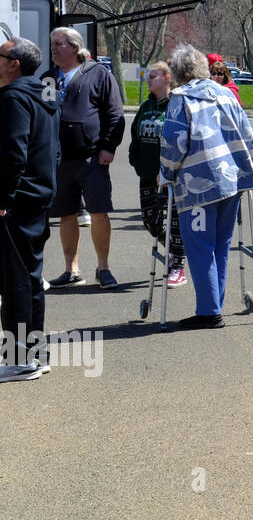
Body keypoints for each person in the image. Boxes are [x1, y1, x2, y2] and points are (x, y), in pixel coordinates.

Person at [159, 43, 253, 328]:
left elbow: (174, 142)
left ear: (178, 73)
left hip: (199, 182)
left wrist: (165, 173)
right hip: (233, 179)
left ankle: (209, 311)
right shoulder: (227, 93)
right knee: (220, 244)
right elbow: (247, 135)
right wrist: (249, 169)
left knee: (200, 245)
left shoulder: (181, 97)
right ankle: (214, 304)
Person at [46, 26, 124, 289]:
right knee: (66, 214)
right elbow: (45, 115)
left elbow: (115, 115)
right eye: (52, 44)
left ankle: (103, 268)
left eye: (59, 44)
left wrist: (108, 147)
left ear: (75, 47)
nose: (54, 48)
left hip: (92, 158)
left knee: (98, 212)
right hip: (60, 160)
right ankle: (71, 270)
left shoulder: (99, 74)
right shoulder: (49, 78)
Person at [0, 38, 59, 382]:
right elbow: (54, 149)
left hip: (19, 201)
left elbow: (13, 153)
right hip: (39, 197)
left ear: (14, 64)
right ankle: (34, 354)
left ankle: (21, 359)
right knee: (30, 279)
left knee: (17, 281)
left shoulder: (13, 98)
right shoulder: (46, 93)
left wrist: (3, 198)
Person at [128, 61, 186, 288]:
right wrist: (136, 160)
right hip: (147, 174)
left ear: (167, 78)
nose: (148, 79)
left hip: (170, 176)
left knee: (174, 222)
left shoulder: (176, 105)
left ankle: (178, 266)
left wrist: (169, 169)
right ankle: (175, 251)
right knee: (151, 222)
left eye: (153, 76)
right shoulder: (146, 106)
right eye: (148, 76)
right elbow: (135, 133)